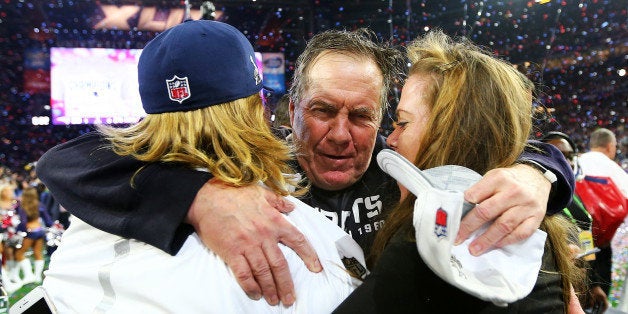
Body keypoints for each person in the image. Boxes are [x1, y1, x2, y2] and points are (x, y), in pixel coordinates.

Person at [36, 27, 575, 306]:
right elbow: (66, 161)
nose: (340, 134)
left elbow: (481, 143)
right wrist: (198, 197)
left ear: (388, 120)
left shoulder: (409, 177)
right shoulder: (257, 176)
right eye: (321, 111)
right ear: (288, 113)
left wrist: (540, 170)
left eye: (362, 116)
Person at [41, 20, 363, 312]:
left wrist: (192, 195)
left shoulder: (89, 224)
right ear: (255, 106)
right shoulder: (300, 237)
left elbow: (61, 161)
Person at [334, 29, 584, 313]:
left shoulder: (434, 237)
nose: (390, 140)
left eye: (402, 123)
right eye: (324, 111)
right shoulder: (535, 227)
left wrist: (539, 173)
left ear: (450, 135)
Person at [541, 131, 610, 312]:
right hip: (554, 291)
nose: (566, 162)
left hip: (580, 288)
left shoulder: (573, 195)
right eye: (557, 155)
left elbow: (586, 239)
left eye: (569, 156)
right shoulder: (538, 198)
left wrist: (592, 283)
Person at [578, 128, 628, 301]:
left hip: (577, 243)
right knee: (599, 297)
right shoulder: (615, 170)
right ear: (609, 146)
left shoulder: (575, 162)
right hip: (601, 245)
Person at [14, 186, 53, 284]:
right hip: (40, 231)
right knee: (37, 253)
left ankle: (29, 276)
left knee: (19, 254)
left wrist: (17, 230)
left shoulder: (23, 206)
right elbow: (48, 221)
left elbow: (23, 222)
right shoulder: (40, 205)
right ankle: (37, 277)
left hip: (30, 233)